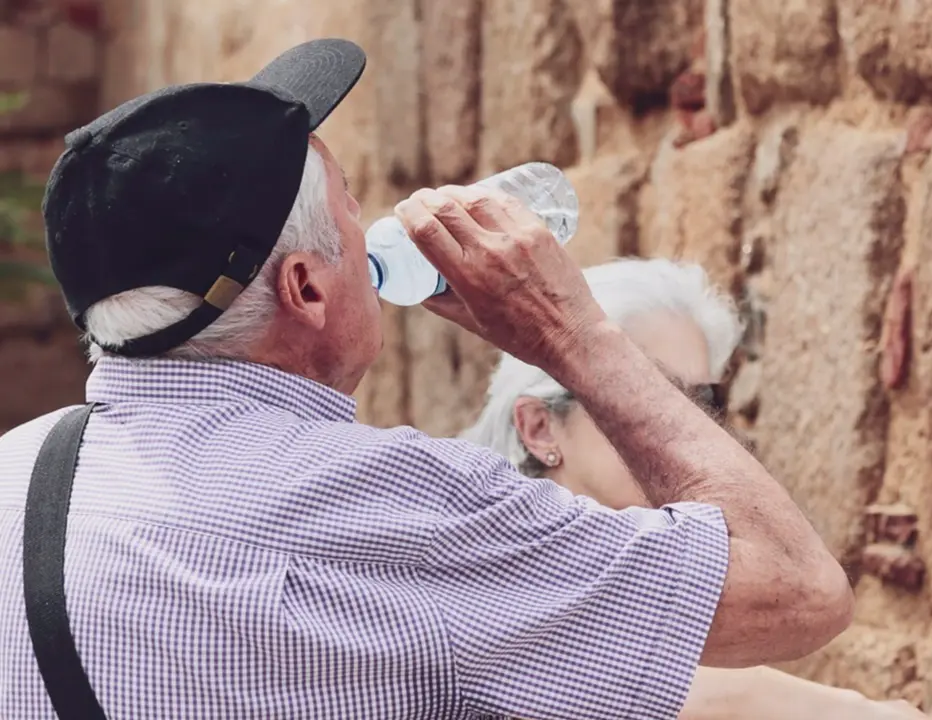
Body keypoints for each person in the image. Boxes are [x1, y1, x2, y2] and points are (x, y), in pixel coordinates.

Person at [0, 38, 853, 719]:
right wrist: (574, 336)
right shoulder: (385, 508)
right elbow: (796, 591)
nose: (370, 224)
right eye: (348, 200)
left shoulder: (15, 473)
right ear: (304, 287)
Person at [463, 257, 928, 720]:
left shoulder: (680, 572)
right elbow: (568, 674)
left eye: (702, 402)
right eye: (641, 395)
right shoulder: (480, 565)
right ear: (540, 427)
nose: (682, 426)